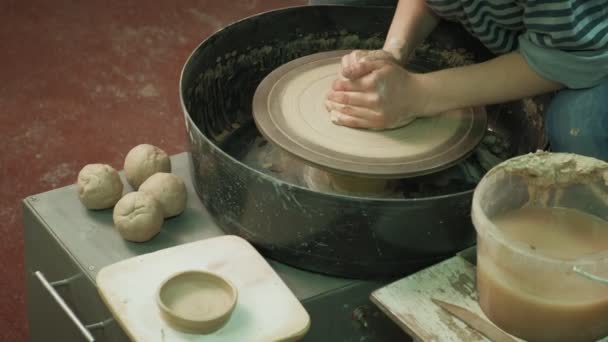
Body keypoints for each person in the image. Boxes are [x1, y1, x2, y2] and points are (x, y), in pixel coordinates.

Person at [315, 0, 608, 160]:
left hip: (589, 46)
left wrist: (418, 95)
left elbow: (568, 56)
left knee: (579, 123)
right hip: (525, 20)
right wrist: (394, 51)